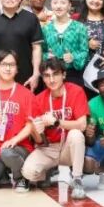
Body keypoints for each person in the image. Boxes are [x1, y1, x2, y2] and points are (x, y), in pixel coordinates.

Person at [20, 58, 90, 199]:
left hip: (68, 147)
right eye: (47, 76)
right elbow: (40, 141)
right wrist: (37, 130)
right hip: (49, 148)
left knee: (76, 134)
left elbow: (82, 125)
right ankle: (47, 173)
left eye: (55, 74)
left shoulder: (76, 91)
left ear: (63, 74)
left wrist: (57, 122)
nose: (51, 80)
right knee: (28, 172)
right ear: (43, 78)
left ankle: (77, 179)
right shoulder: (39, 99)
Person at [0, 50, 36, 192]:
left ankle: (21, 177)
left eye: (12, 65)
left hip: (19, 148)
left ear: (17, 68)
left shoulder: (26, 94)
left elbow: (30, 125)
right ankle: (3, 173)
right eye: (3, 64)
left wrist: (15, 140)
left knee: (7, 152)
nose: (7, 68)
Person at [42, 0, 89, 93]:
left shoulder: (80, 28)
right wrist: (47, 56)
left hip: (73, 75)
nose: (58, 6)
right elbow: (41, 51)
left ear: (69, 5)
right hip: (51, 75)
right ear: (51, 5)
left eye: (63, 3)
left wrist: (73, 57)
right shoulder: (46, 29)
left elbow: (84, 51)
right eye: (55, 3)